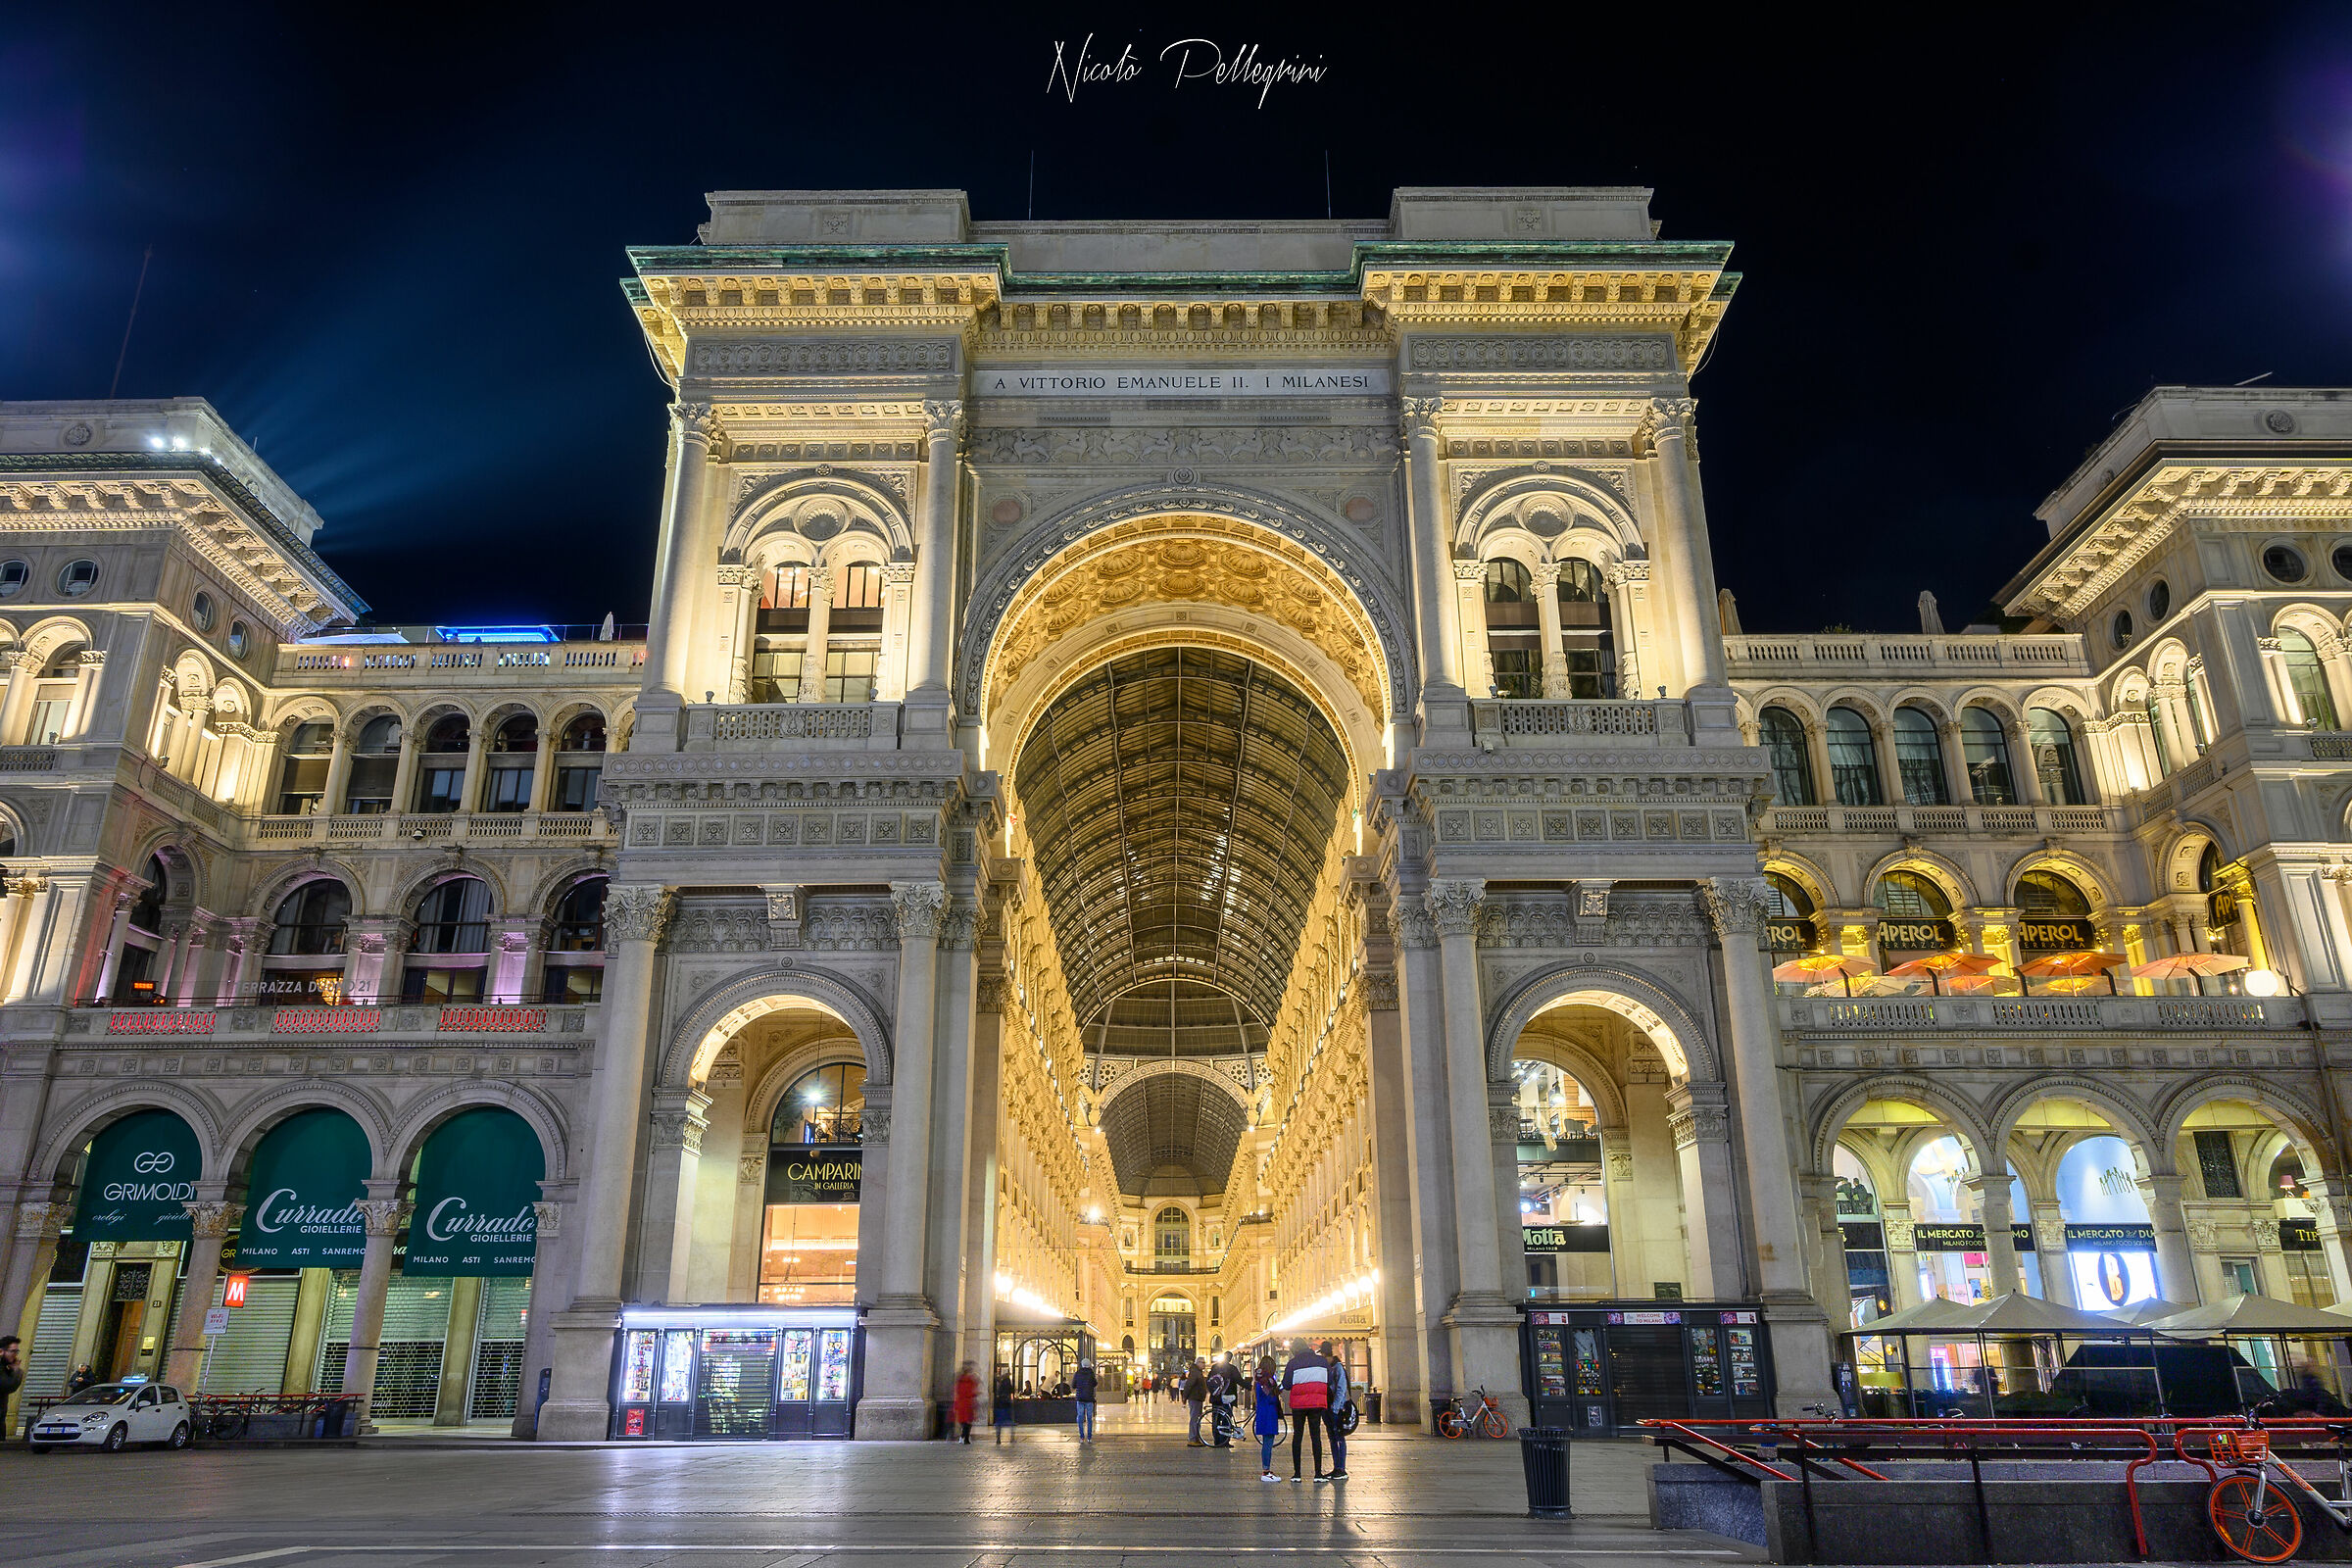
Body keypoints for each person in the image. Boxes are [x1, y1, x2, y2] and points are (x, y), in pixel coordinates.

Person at [1282, 1340, 1332, 1482]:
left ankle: (1297, 1474)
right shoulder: (1321, 1361)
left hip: (1298, 1405)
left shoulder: (1293, 1363)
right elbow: (1330, 1380)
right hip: (1317, 1403)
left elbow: (1286, 1384)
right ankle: (1318, 1473)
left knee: (1298, 1436)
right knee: (1316, 1436)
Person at [1318, 1342, 1350, 1481]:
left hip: (1336, 1408)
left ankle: (1341, 1468)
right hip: (1327, 1406)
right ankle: (1336, 1467)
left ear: (1326, 1355)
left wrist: (1335, 1407)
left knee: (1339, 1437)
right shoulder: (1328, 1367)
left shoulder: (1337, 1368)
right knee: (1332, 1437)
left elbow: (1341, 1388)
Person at [1252, 1354, 1283, 1481]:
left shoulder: (1259, 1379)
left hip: (1263, 1413)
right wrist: (1277, 1391)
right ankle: (1266, 1471)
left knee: (1267, 1442)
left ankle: (1266, 1469)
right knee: (1268, 1443)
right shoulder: (1267, 1381)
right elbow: (1270, 1397)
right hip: (1268, 1414)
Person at [952, 1361, 979, 1444]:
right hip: (968, 1403)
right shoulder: (971, 1380)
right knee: (968, 1421)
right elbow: (972, 1392)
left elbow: (957, 1391)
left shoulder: (960, 1380)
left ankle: (964, 1436)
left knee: (963, 1421)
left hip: (961, 1403)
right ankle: (965, 1437)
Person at [1185, 1357, 1208, 1446]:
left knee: (1197, 1419)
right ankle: (1192, 1439)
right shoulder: (1195, 1372)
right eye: (1202, 1362)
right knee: (1194, 1418)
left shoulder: (1197, 1372)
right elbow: (1189, 1385)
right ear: (1197, 1363)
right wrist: (1184, 1397)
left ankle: (1196, 1438)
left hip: (1197, 1398)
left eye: (1204, 1362)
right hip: (1195, 1398)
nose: (1204, 1364)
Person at [1073, 1358, 1098, 1442]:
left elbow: (1073, 1385)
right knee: (1089, 1418)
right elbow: (1095, 1383)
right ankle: (1089, 1437)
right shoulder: (1091, 1373)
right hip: (1089, 1398)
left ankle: (1082, 1436)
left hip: (1080, 1398)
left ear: (1082, 1364)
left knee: (1080, 1417)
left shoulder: (1078, 1373)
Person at [993, 1368, 1016, 1445]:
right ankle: (1012, 1438)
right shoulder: (1008, 1381)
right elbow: (1012, 1390)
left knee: (999, 1423)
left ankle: (998, 1438)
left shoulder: (1001, 1382)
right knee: (1010, 1422)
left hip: (999, 1404)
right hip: (1006, 1403)